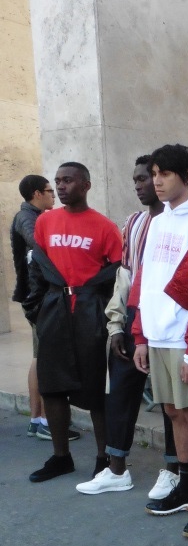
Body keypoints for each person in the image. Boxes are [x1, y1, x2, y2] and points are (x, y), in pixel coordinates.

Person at [75, 156, 179, 497]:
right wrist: (117, 325)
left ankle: (174, 469)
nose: (139, 185)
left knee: (169, 400)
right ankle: (117, 468)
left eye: (145, 178)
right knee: (120, 391)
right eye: (135, 179)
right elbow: (125, 277)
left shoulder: (178, 221)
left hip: (165, 321)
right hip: (134, 318)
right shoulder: (134, 223)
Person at [132, 144, 188, 538]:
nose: (157, 181)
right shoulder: (158, 220)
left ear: (187, 175)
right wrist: (140, 334)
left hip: (185, 336)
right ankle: (187, 487)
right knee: (172, 412)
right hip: (157, 334)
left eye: (164, 174)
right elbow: (145, 278)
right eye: (154, 174)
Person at [25, 162, 122, 481]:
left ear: (86, 185)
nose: (61, 186)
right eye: (57, 181)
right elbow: (38, 268)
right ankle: (60, 457)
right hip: (54, 312)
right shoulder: (45, 222)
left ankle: (103, 458)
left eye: (68, 180)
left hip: (89, 314)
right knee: (52, 387)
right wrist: (37, 309)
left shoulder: (105, 227)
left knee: (95, 389)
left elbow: (119, 274)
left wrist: (101, 307)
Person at [10, 174, 58, 438]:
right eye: (50, 191)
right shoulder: (27, 217)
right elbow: (38, 242)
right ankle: (44, 421)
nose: (54, 195)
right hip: (37, 298)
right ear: (37, 193)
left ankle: (37, 419)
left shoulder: (35, 216)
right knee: (44, 357)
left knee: (40, 356)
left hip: (37, 297)